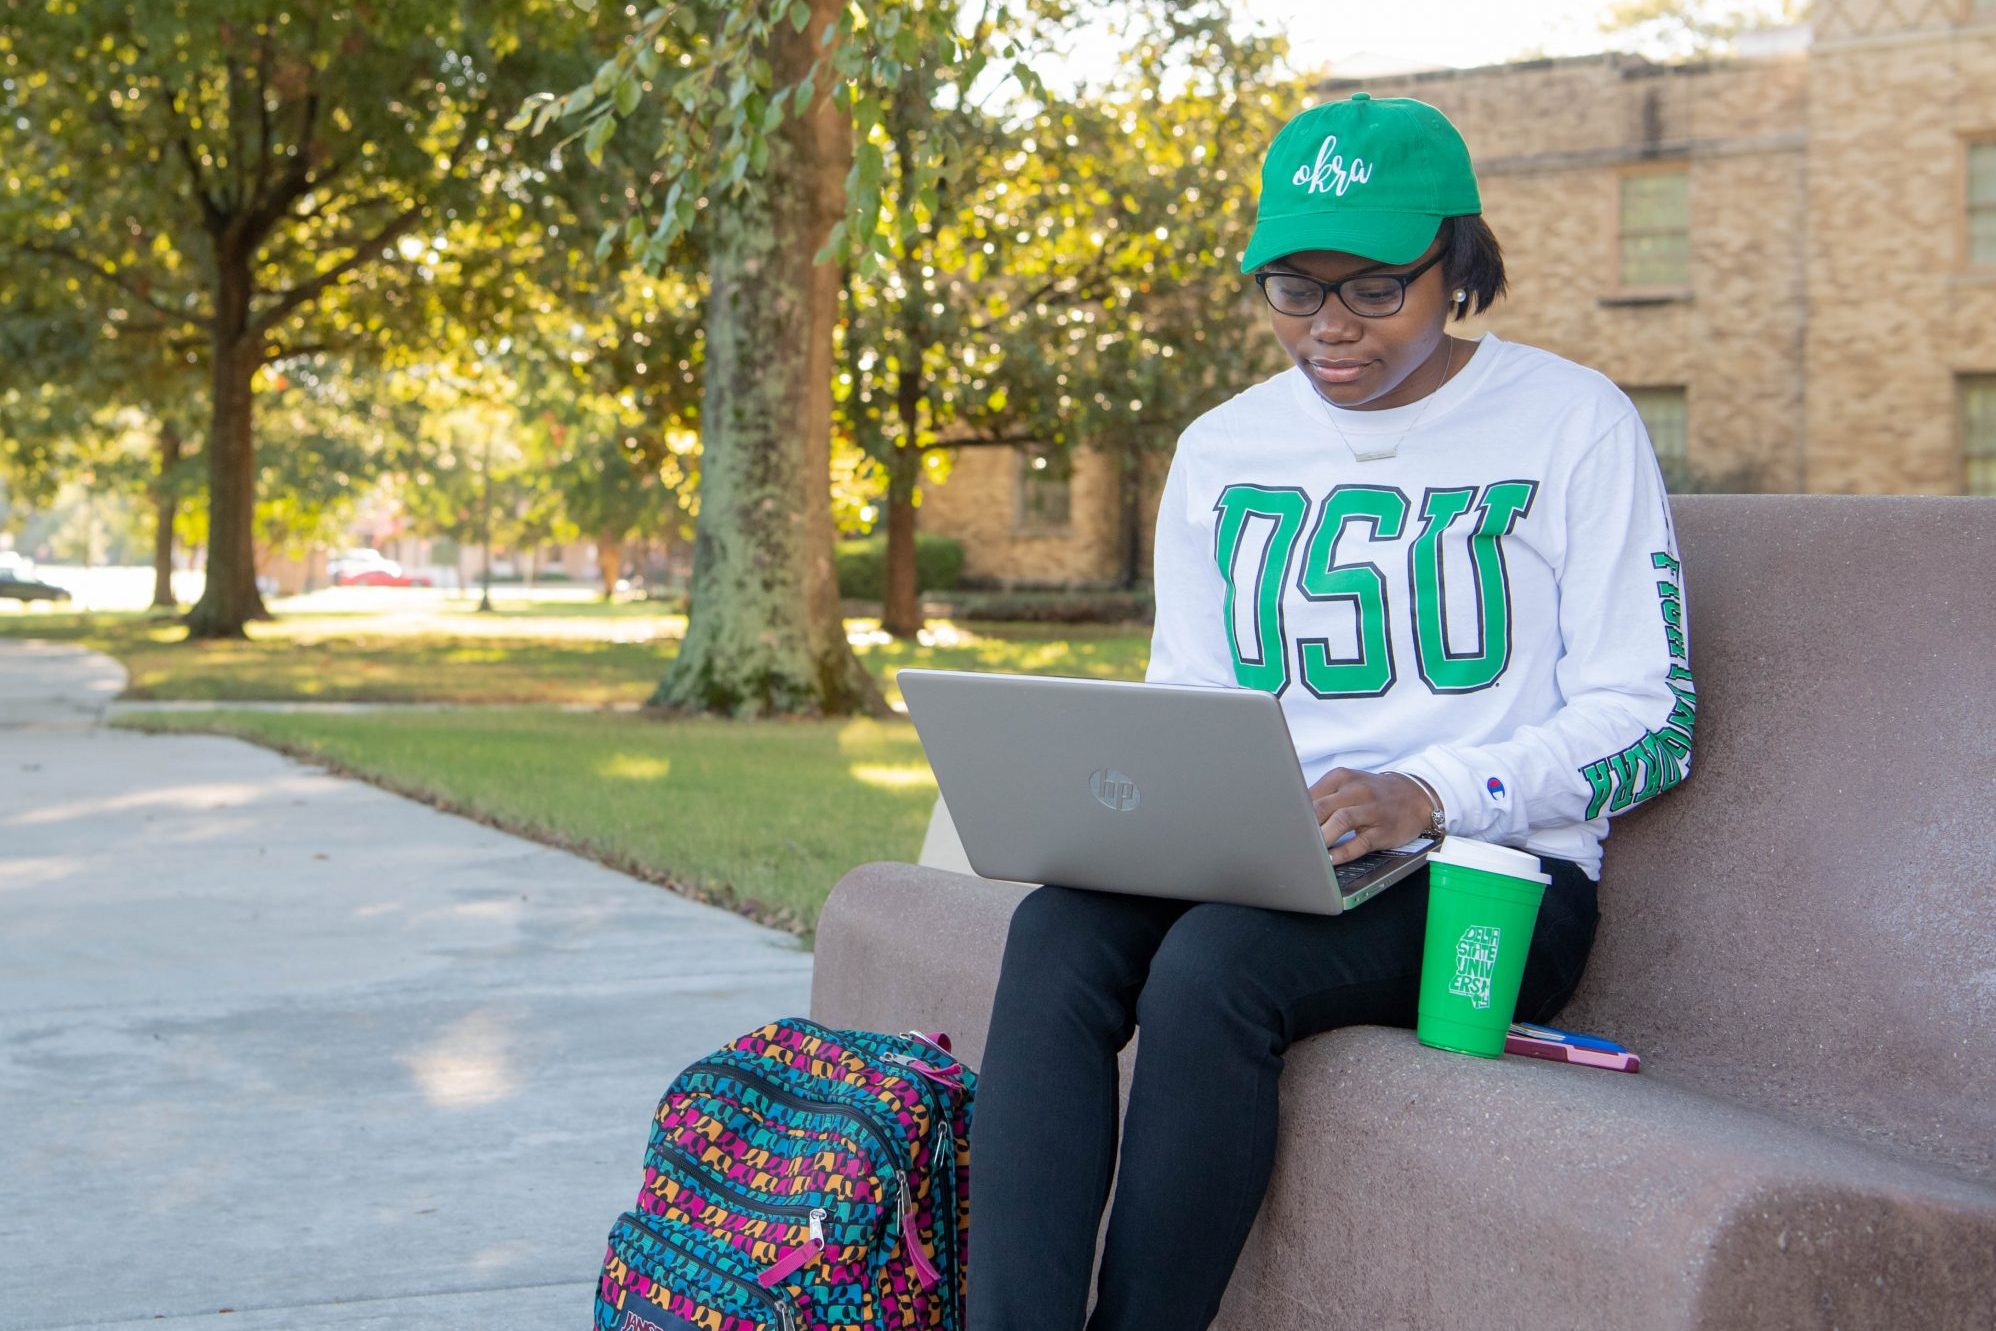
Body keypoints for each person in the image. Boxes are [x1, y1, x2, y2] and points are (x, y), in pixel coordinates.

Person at [964, 92, 1695, 1331]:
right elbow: (1189, 696)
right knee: (1054, 932)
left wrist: (1428, 791)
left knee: (1212, 971)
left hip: (1491, 877)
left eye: (1371, 288)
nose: (1328, 328)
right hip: (1264, 851)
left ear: (1455, 264)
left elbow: (1653, 715)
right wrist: (1148, 809)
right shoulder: (1221, 449)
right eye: (1293, 290)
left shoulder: (1572, 423)